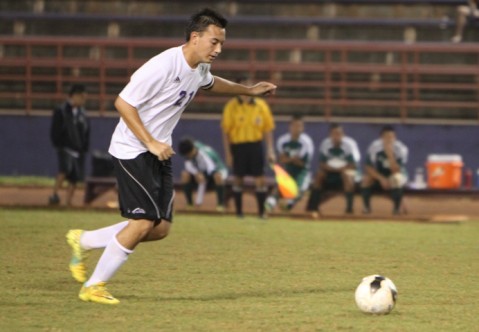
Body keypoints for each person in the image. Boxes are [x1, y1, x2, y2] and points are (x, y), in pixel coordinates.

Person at [65, 8, 276, 305]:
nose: (218, 49)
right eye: (214, 42)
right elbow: (123, 103)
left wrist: (249, 91)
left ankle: (83, 240)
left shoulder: (199, 67)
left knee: (159, 228)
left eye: (222, 44)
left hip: (160, 150)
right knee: (141, 224)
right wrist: (150, 141)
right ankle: (93, 286)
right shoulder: (162, 66)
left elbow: (212, 83)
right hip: (133, 150)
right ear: (195, 37)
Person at [221, 76, 276, 219]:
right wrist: (228, 154)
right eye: (243, 85)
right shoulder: (231, 106)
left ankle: (261, 213)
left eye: (249, 85)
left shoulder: (260, 105)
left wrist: (270, 150)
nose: (247, 88)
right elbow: (226, 132)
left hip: (255, 146)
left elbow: (268, 129)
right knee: (238, 179)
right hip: (238, 146)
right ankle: (239, 213)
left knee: (260, 179)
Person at [306, 123, 360, 217]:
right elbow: (322, 164)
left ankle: (349, 209)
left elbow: (353, 165)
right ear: (330, 135)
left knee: (347, 175)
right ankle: (313, 207)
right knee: (319, 175)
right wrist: (332, 169)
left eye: (339, 134)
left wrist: (340, 169)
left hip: (344, 172)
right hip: (330, 172)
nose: (336, 136)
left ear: (343, 135)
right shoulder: (325, 144)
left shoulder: (349, 145)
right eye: (334, 134)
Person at [49, 84, 89, 206]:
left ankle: (68, 202)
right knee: (64, 170)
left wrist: (83, 147)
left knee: (75, 176)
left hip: (78, 149)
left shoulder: (82, 113)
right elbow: (55, 129)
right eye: (81, 97)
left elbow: (86, 131)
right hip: (65, 147)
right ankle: (54, 195)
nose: (83, 100)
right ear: (75, 96)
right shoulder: (61, 110)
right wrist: (59, 144)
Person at [265, 115, 314, 212]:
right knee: (279, 187)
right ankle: (269, 205)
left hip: (301, 172)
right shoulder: (283, 140)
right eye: (295, 126)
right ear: (290, 126)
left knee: (299, 191)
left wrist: (288, 158)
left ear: (303, 128)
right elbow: (281, 160)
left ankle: (287, 206)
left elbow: (301, 163)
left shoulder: (306, 142)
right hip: (288, 169)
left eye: (300, 126)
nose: (297, 129)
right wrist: (292, 159)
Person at [361, 125, 408, 215]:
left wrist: (390, 154)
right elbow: (368, 167)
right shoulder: (374, 147)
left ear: (395, 137)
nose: (389, 140)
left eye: (392, 137)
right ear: (381, 138)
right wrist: (381, 178)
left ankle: (396, 209)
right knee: (366, 179)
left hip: (397, 175)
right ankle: (366, 208)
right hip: (381, 174)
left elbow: (397, 171)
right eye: (386, 137)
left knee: (396, 179)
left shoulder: (401, 149)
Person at [177, 137, 227, 211]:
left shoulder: (204, 153)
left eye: (188, 154)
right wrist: (197, 173)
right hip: (202, 172)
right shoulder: (190, 150)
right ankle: (190, 204)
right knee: (185, 175)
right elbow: (189, 166)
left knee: (218, 176)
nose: (188, 156)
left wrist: (202, 176)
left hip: (216, 171)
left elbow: (212, 168)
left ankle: (220, 205)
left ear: (193, 150)